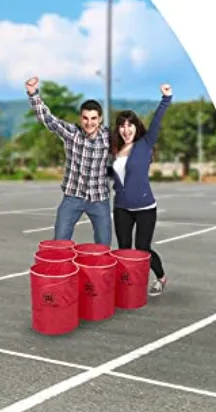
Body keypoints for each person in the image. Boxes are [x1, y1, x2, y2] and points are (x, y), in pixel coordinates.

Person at [25, 76, 111, 245]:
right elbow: (48, 119)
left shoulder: (108, 137)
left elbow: (131, 140)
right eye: (85, 118)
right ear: (81, 118)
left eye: (93, 118)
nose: (89, 123)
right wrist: (33, 93)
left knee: (103, 245)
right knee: (59, 243)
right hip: (73, 197)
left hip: (99, 198)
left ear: (100, 119)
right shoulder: (72, 134)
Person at [109, 84, 173, 295]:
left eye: (130, 125)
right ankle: (128, 285)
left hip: (145, 207)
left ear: (136, 127)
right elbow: (116, 176)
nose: (126, 130)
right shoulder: (115, 150)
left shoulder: (145, 144)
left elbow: (157, 121)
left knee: (142, 248)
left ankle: (161, 277)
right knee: (124, 249)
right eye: (122, 126)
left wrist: (166, 98)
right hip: (121, 207)